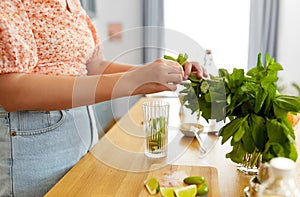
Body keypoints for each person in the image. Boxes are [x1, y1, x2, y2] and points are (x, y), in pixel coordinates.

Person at [0, 0, 208, 196]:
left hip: (82, 139)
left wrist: (156, 74)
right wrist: (134, 79)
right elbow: (10, 90)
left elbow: (94, 66)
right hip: (36, 150)